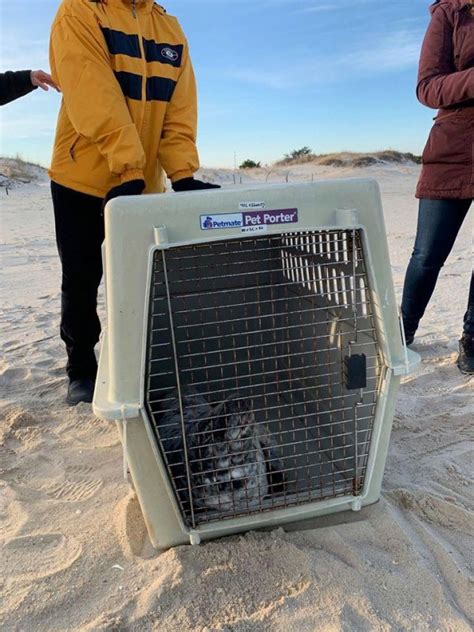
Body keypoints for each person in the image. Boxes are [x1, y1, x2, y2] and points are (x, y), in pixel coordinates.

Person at [49, 0, 220, 406]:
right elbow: (91, 90)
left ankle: (146, 365)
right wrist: (127, 164)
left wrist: (182, 173)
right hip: (82, 177)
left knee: (147, 282)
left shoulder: (170, 28)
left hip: (142, 185)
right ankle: (80, 368)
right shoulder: (78, 11)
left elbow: (179, 108)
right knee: (81, 277)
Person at [402, 0, 473, 374]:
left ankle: (472, 341)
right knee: (427, 255)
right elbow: (427, 88)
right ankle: (403, 333)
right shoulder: (450, 14)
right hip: (452, 150)